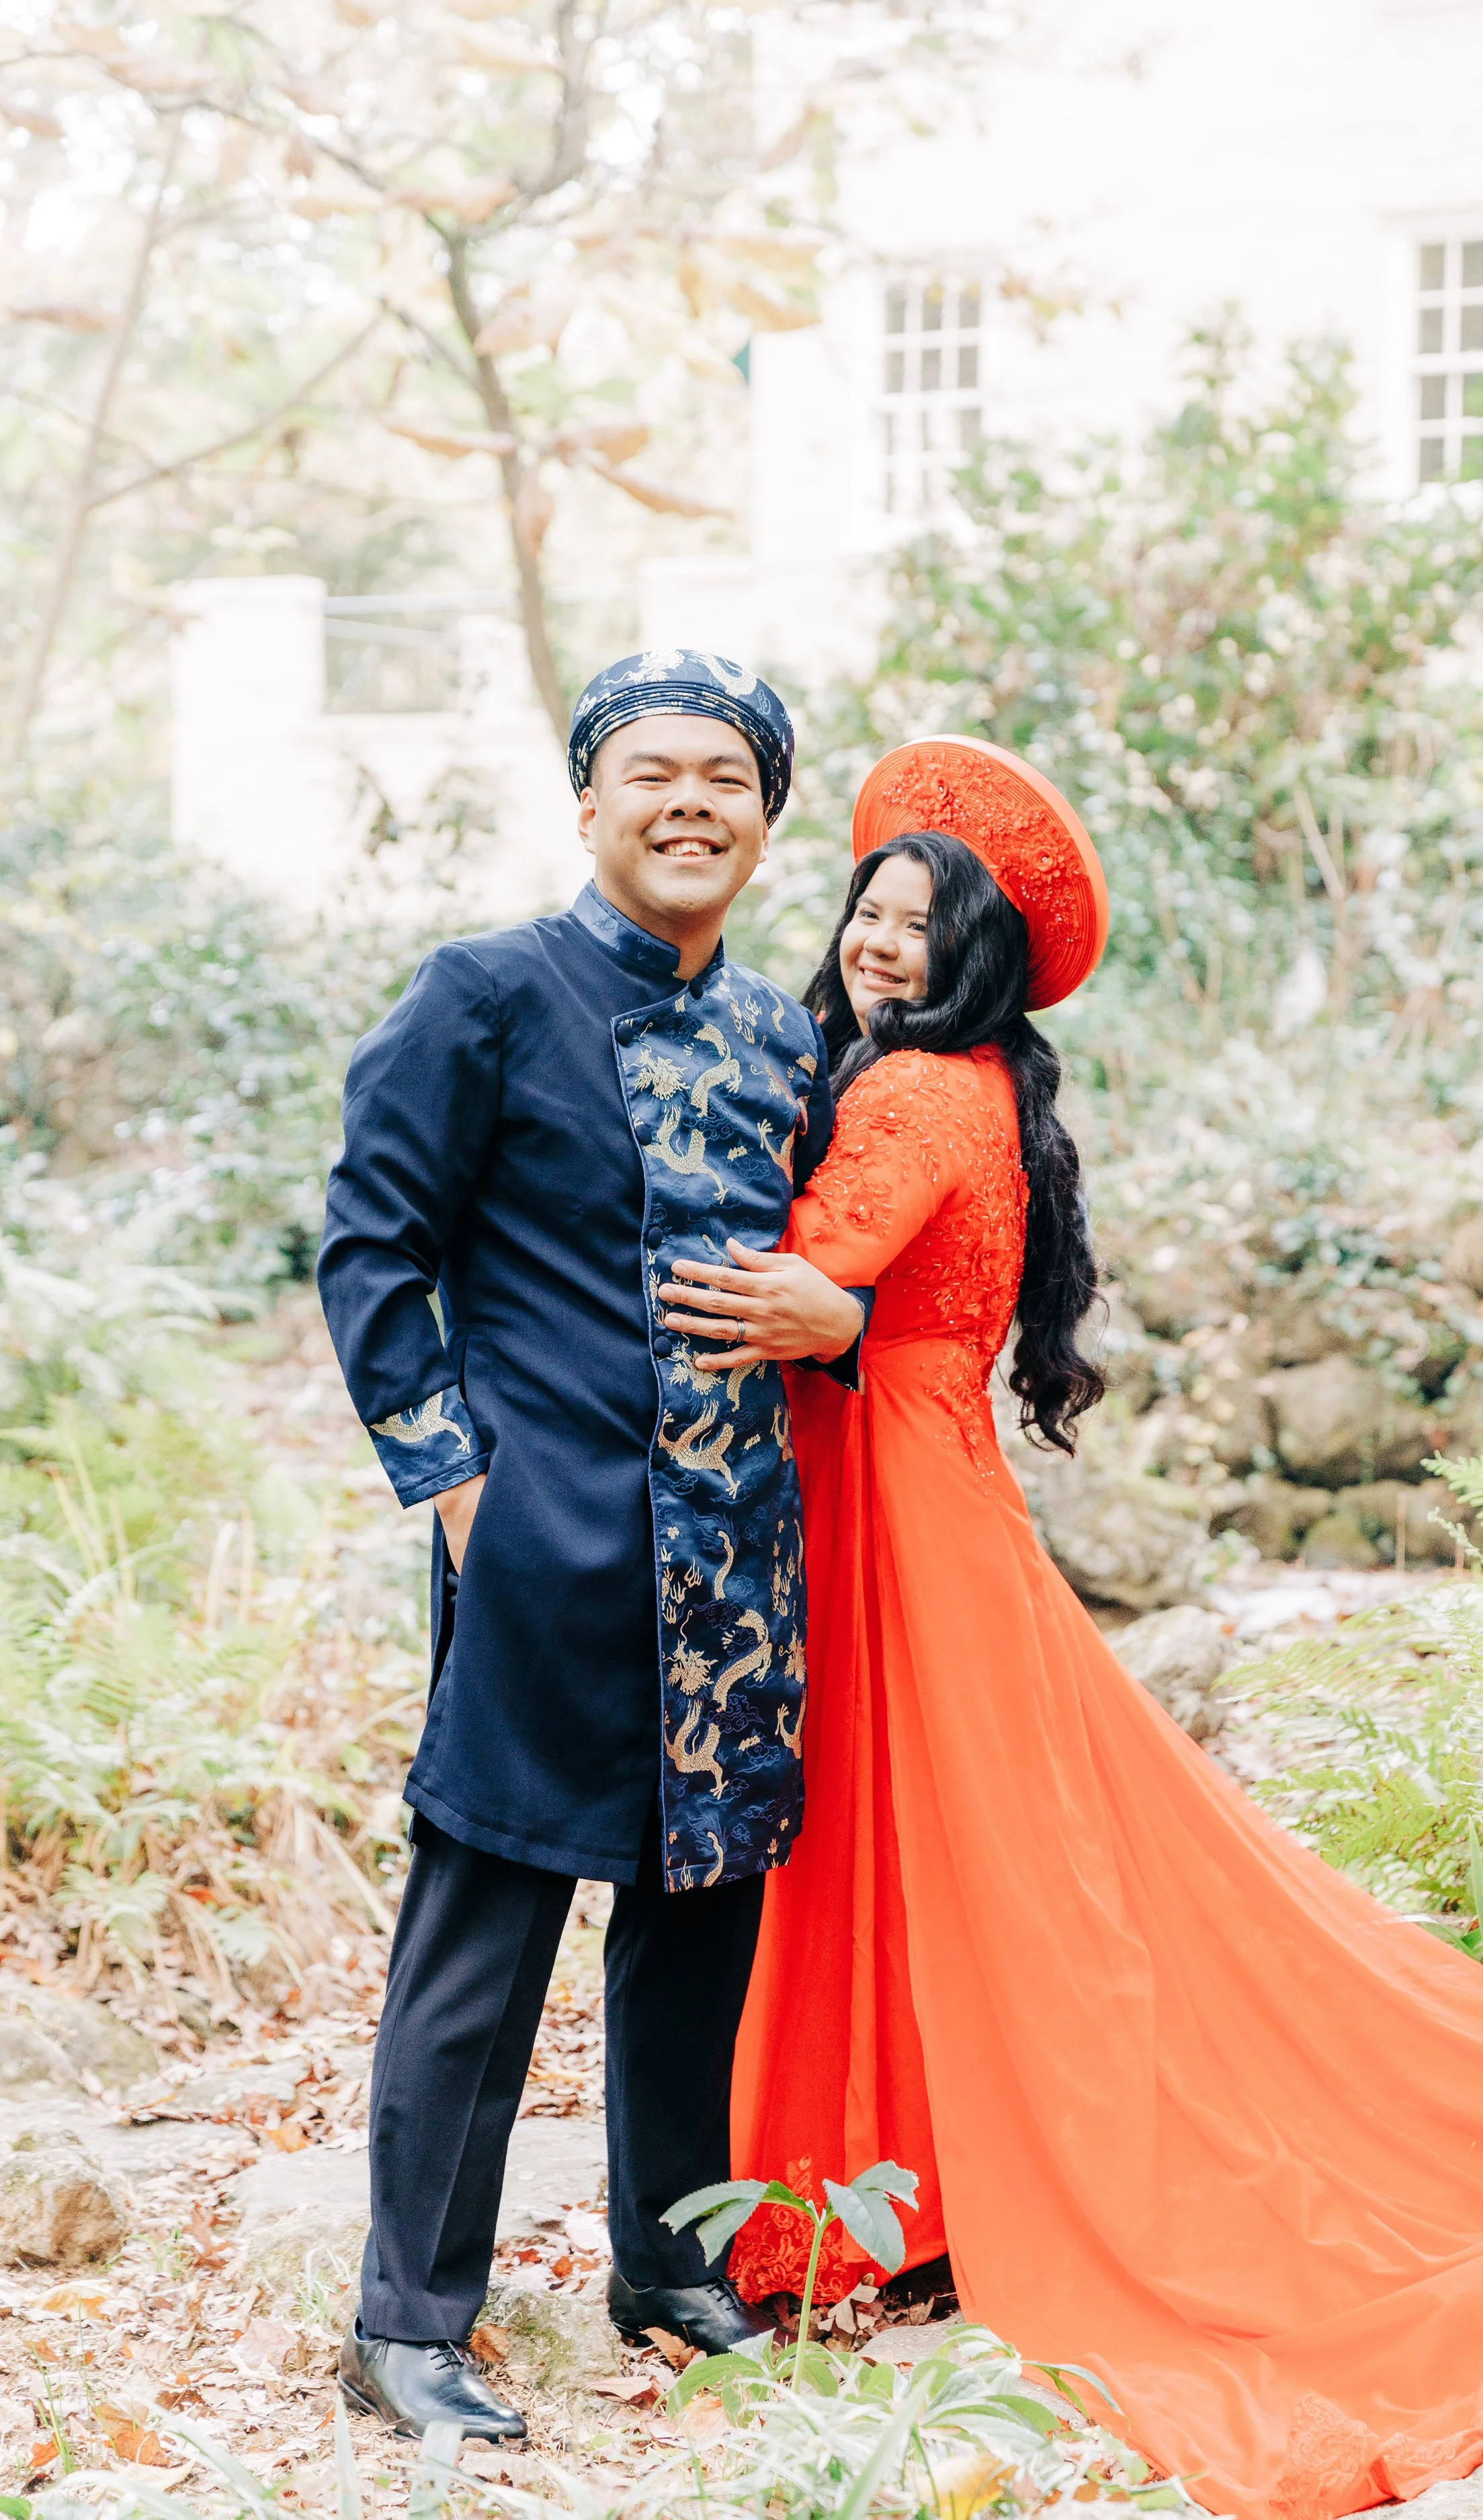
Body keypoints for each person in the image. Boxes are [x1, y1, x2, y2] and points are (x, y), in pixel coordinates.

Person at [659, 734, 1483, 2520]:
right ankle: (901, 2186)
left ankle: (891, 2192)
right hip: (921, 1482)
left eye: (915, 920)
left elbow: (797, 1270)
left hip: (890, 1505)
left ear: (969, 952)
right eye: (867, 908)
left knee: (949, 1855)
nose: (877, 939)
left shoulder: (906, 1098)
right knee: (960, 1855)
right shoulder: (963, 1081)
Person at [316, 650, 866, 2439]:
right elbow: (368, 1248)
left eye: (728, 774)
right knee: (484, 1915)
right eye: (654, 771)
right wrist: (458, 1487)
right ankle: (408, 2317)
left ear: (767, 820)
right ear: (588, 802)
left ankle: (671, 2256)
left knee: (697, 1914)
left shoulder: (786, 1038)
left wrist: (829, 1320)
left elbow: (844, 1278)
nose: (691, 800)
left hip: (735, 1555)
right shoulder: (484, 996)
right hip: (544, 1544)